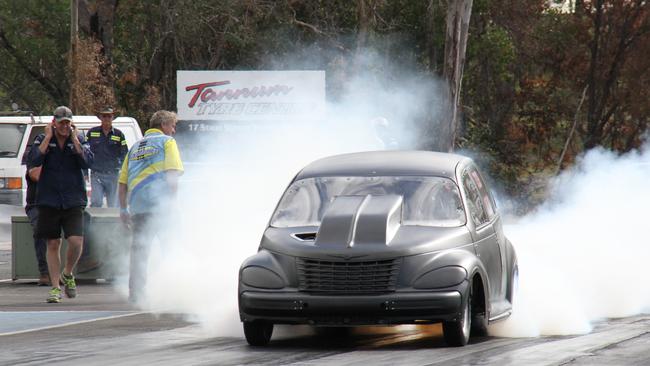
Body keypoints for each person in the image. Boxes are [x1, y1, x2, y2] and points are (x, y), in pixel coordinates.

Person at [29, 106, 94, 303]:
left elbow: (88, 162)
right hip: (49, 199)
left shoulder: (79, 139)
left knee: (76, 241)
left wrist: (74, 139)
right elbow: (33, 160)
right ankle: (55, 287)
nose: (65, 126)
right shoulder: (43, 139)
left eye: (68, 122)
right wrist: (48, 138)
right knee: (53, 243)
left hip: (73, 198)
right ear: (54, 123)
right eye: (61, 122)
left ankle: (68, 273)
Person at [118, 110, 183, 302]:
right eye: (172, 126)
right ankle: (172, 292)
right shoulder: (167, 142)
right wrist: (173, 204)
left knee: (139, 252)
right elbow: (172, 175)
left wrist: (123, 209)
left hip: (138, 208)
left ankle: (136, 294)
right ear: (163, 125)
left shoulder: (135, 147)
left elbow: (122, 183)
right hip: (161, 207)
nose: (173, 131)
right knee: (170, 248)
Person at [86, 107, 128, 207]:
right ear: (100, 117)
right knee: (96, 202)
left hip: (113, 174)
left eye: (109, 116)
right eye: (104, 116)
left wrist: (123, 171)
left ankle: (113, 223)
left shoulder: (119, 134)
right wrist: (84, 171)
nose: (106, 118)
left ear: (112, 117)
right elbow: (85, 153)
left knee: (113, 205)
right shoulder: (92, 132)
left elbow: (125, 154)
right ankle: (95, 223)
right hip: (96, 174)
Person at [24, 164, 49, 286]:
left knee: (85, 219)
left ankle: (84, 263)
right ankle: (44, 272)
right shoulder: (36, 153)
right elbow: (35, 175)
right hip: (36, 204)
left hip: (60, 201)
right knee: (40, 228)